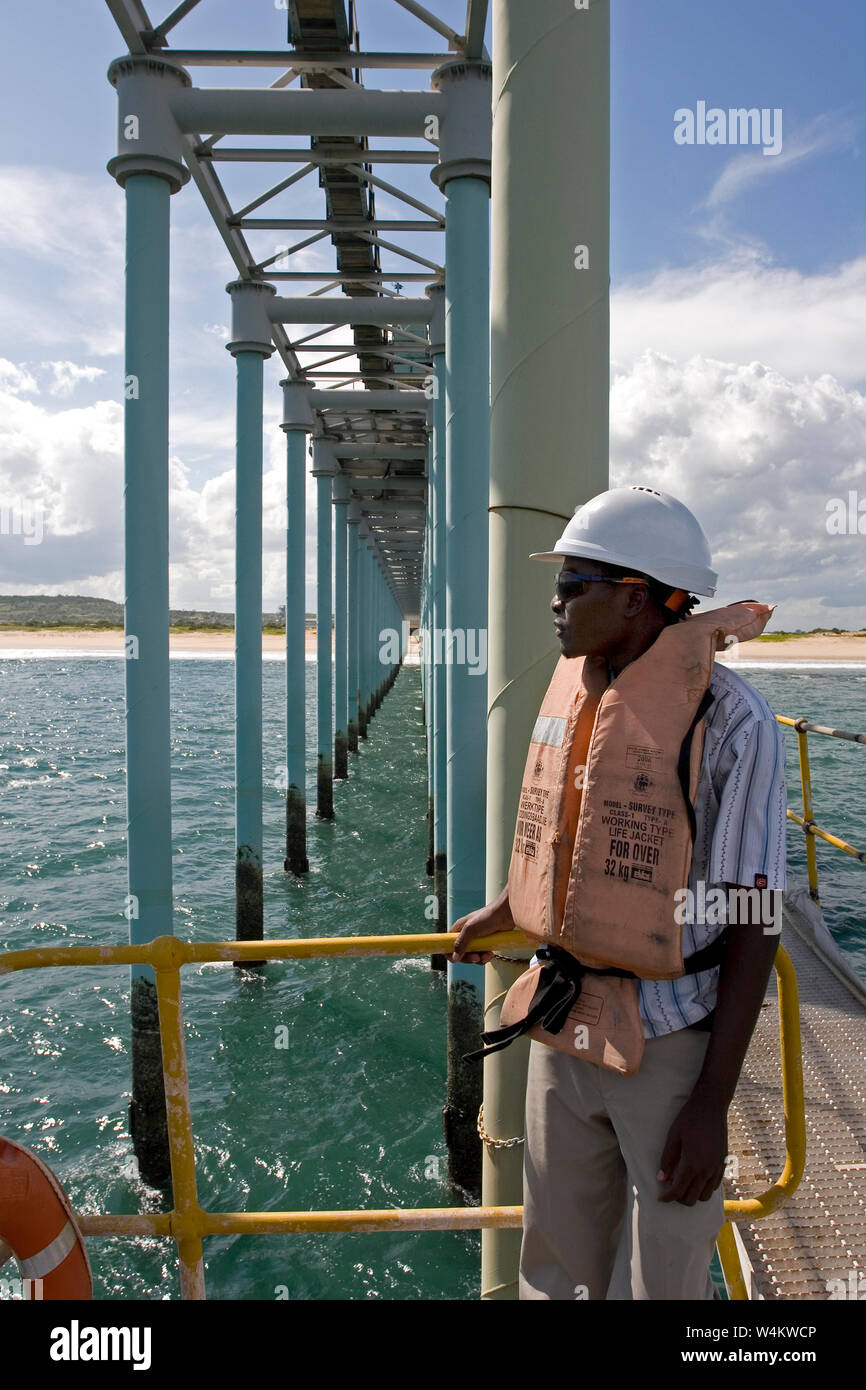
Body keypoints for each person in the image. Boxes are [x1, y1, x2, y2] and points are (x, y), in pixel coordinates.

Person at [450, 485, 787, 1301]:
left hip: (669, 1044)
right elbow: (566, 830)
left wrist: (711, 1105)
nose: (555, 603)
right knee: (556, 1260)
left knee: (662, 1277)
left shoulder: (734, 723)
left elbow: (756, 919)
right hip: (562, 1019)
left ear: (636, 599)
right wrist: (509, 908)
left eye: (574, 585)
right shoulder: (579, 686)